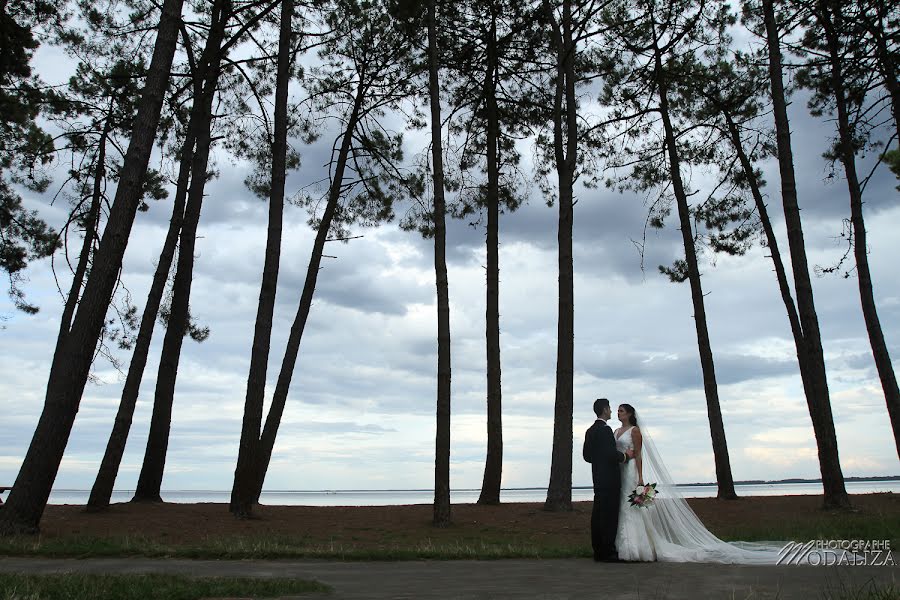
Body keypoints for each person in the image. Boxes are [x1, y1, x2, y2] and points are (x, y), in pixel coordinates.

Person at [612, 403, 784, 564]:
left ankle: (636, 548)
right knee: (622, 506)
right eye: (618, 410)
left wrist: (641, 477)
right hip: (619, 471)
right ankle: (622, 545)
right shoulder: (616, 431)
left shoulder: (635, 431)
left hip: (631, 471)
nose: (618, 413)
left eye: (621, 410)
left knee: (634, 507)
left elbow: (639, 454)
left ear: (629, 414)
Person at [582, 398, 634, 562]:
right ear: (605, 410)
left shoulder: (590, 430)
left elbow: (587, 456)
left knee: (597, 515)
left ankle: (598, 550)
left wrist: (599, 461)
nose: (612, 411)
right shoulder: (605, 430)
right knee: (609, 516)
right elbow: (611, 454)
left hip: (597, 477)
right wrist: (625, 456)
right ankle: (609, 552)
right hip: (610, 479)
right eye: (610, 408)